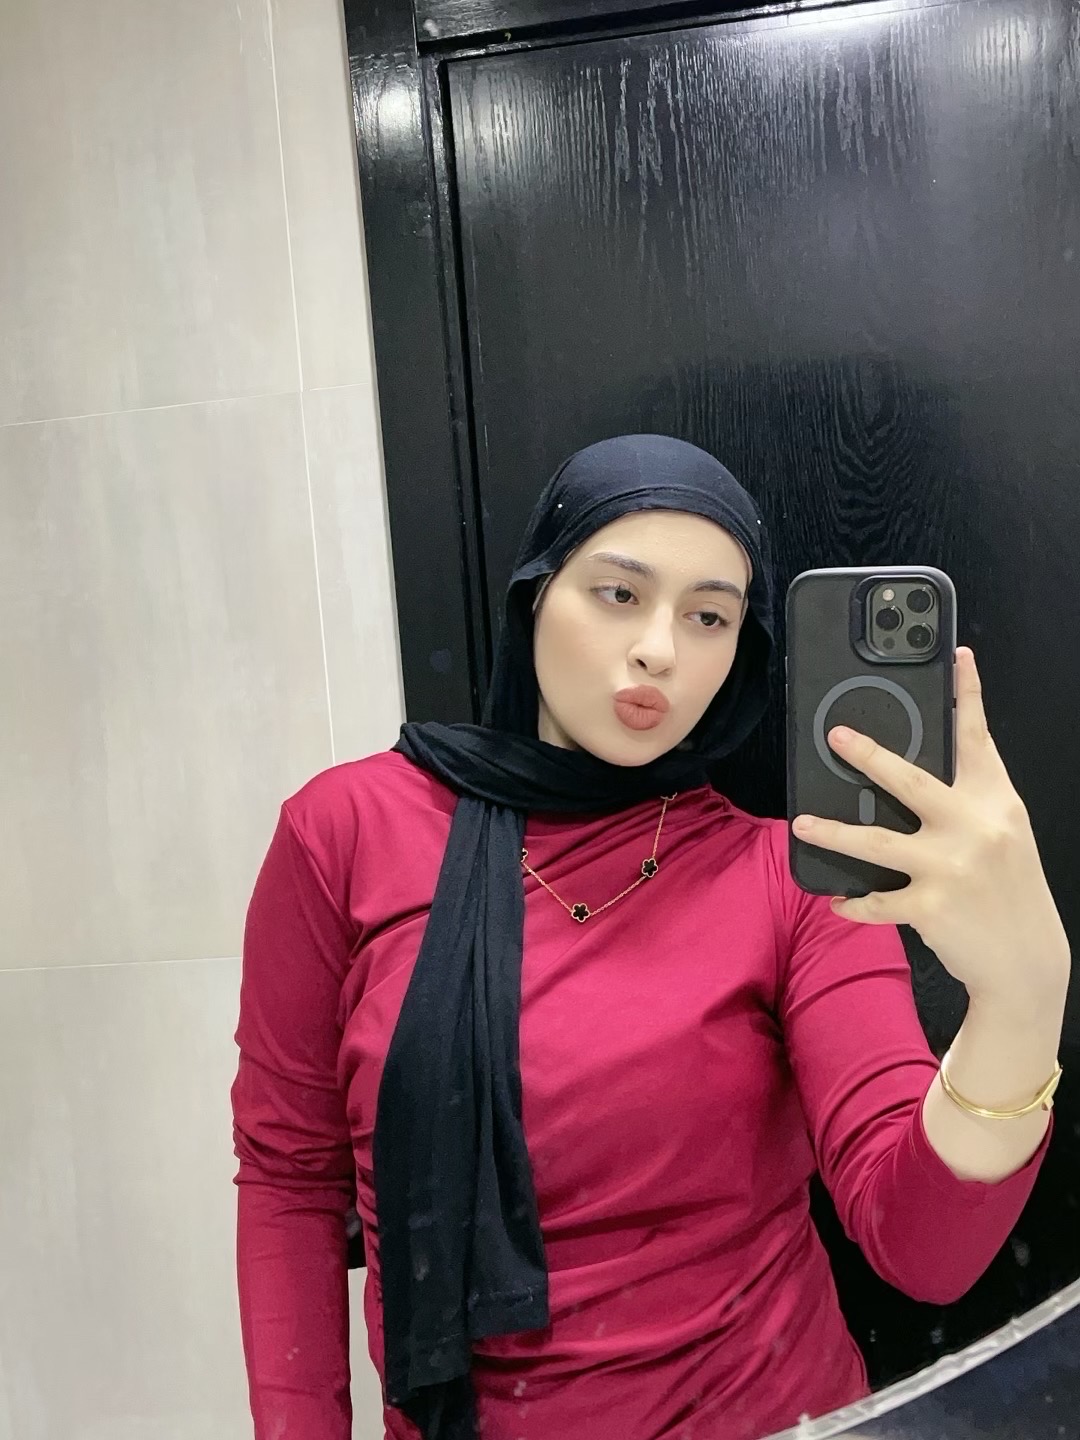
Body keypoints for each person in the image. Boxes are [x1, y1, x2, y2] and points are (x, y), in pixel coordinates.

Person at [230, 434, 1070, 1440]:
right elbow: (290, 1178)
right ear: (536, 595)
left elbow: (924, 1250)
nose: (660, 650)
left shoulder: (789, 879)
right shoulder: (346, 832)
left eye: (709, 615)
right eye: (619, 593)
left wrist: (1023, 1002)